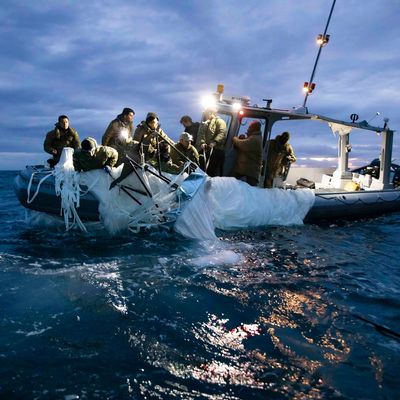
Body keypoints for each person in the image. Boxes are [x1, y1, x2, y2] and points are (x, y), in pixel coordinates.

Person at [196, 107, 227, 177]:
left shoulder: (220, 122)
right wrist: (202, 143)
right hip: (206, 150)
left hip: (216, 151)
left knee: (211, 172)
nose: (206, 115)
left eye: (206, 113)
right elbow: (201, 134)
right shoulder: (205, 123)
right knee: (201, 169)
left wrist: (215, 142)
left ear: (211, 113)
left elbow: (222, 133)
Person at [231, 120, 263, 186]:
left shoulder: (255, 139)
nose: (248, 129)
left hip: (250, 174)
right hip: (246, 172)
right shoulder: (253, 138)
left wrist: (235, 139)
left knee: (245, 194)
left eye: (249, 127)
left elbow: (242, 145)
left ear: (254, 128)